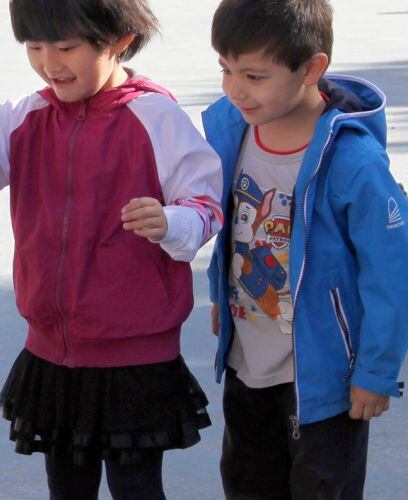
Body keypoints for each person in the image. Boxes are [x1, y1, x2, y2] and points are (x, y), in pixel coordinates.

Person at [0, 0, 223, 497]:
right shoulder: (26, 115)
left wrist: (171, 221)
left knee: (137, 485)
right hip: (51, 350)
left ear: (118, 41)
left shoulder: (155, 116)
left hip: (134, 354)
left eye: (66, 47)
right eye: (34, 47)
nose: (50, 63)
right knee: (66, 485)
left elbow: (206, 202)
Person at [203, 0, 408, 497]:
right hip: (247, 360)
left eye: (254, 75)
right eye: (226, 70)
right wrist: (218, 294)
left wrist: (376, 372)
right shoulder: (235, 132)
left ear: (312, 68)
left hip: (324, 380)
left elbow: (391, 272)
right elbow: (235, 228)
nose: (235, 90)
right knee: (247, 483)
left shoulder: (353, 161)